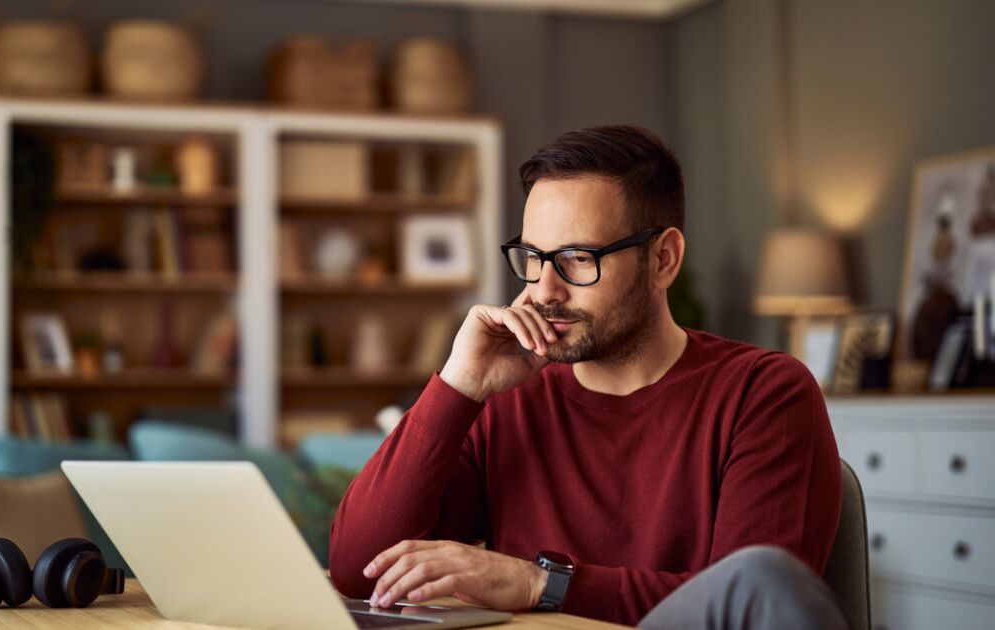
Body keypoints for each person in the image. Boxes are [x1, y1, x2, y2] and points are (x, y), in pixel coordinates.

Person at [327, 125, 848, 629]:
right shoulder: (509, 402)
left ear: (664, 259)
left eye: (578, 258)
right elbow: (359, 573)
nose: (545, 291)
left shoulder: (763, 393)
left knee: (764, 576)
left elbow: (757, 603)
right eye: (534, 258)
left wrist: (541, 584)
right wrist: (458, 386)